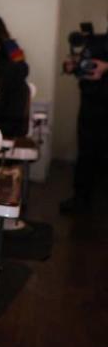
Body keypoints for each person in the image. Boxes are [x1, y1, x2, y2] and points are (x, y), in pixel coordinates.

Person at [59, 29, 108, 214]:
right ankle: (81, 198)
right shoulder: (95, 41)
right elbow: (83, 66)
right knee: (86, 152)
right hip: (91, 103)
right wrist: (72, 66)